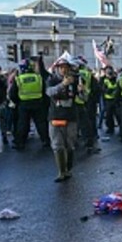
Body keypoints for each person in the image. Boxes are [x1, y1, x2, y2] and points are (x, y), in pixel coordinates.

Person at [46, 53, 81, 182]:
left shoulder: (76, 79)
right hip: (56, 116)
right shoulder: (52, 79)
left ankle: (68, 169)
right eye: (61, 67)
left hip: (71, 116)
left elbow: (83, 98)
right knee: (57, 145)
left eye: (66, 67)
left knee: (70, 145)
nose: (63, 70)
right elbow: (49, 92)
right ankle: (61, 172)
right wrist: (63, 84)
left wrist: (82, 91)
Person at [10, 57, 50, 150]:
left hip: (24, 104)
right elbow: (44, 91)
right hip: (38, 103)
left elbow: (12, 94)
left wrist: (18, 102)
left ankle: (20, 143)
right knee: (41, 123)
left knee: (23, 124)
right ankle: (45, 141)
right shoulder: (38, 78)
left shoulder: (19, 79)